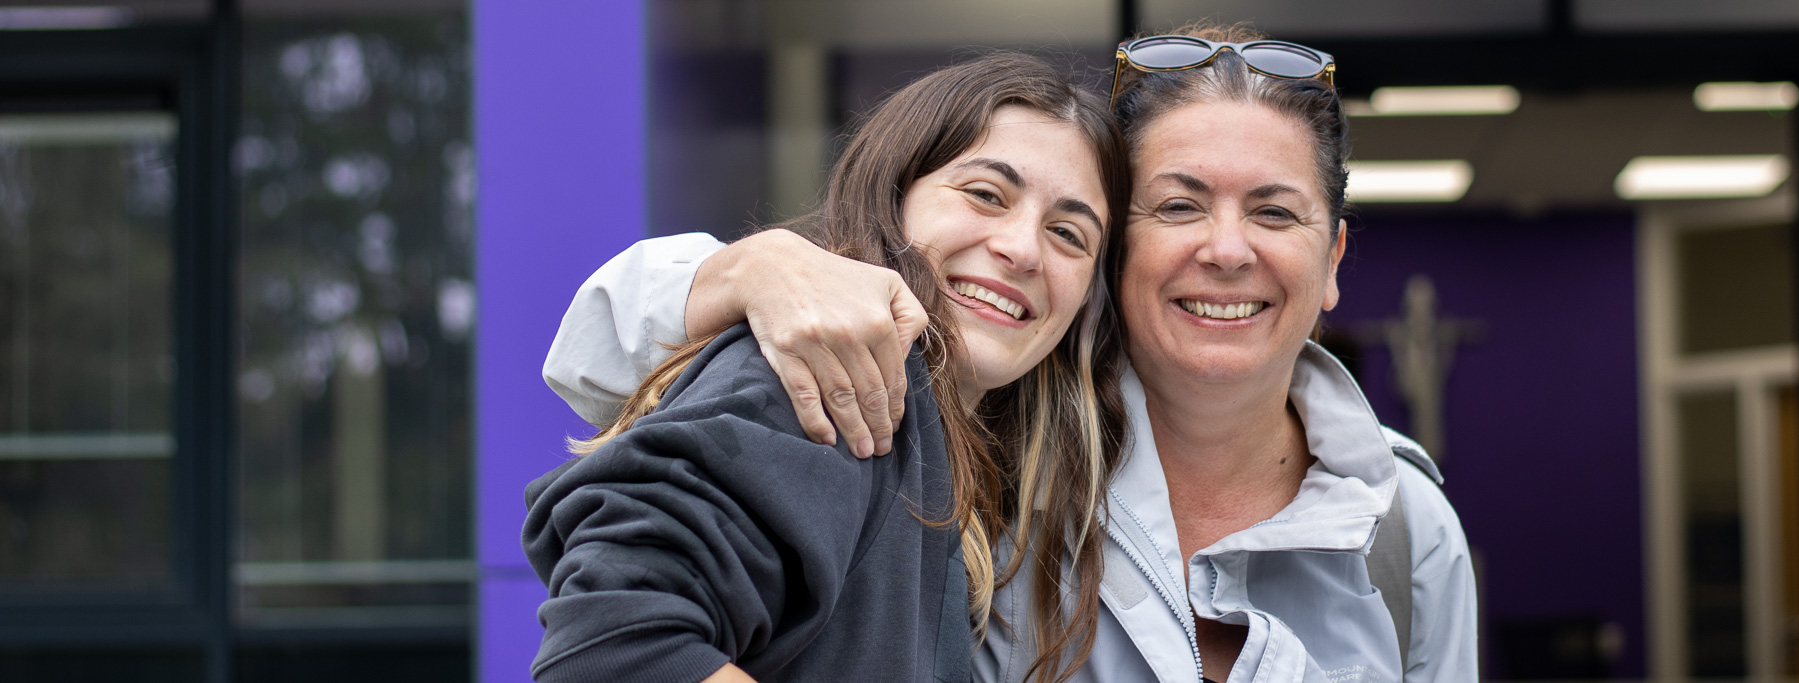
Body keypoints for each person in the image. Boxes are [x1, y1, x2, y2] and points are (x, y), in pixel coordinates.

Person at [544, 24, 1479, 683]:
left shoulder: (1404, 532)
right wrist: (758, 273)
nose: (1227, 248)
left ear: (1333, 263)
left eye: (1274, 211)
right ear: (1122, 258)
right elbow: (596, 366)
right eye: (1181, 205)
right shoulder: (968, 421)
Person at [522, 52, 1129, 683]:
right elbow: (610, 647)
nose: (1023, 248)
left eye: (1069, 234)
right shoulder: (833, 385)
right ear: (892, 193)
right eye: (985, 194)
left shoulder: (958, 457)